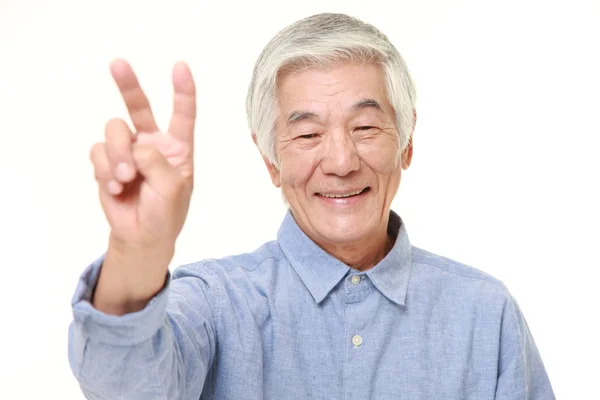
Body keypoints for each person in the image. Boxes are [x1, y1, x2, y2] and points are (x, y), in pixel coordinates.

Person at [68, 12, 555, 400]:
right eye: (307, 134)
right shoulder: (216, 305)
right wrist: (138, 254)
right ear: (271, 161)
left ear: (406, 143)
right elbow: (126, 387)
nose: (341, 160)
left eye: (365, 128)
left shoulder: (484, 314)